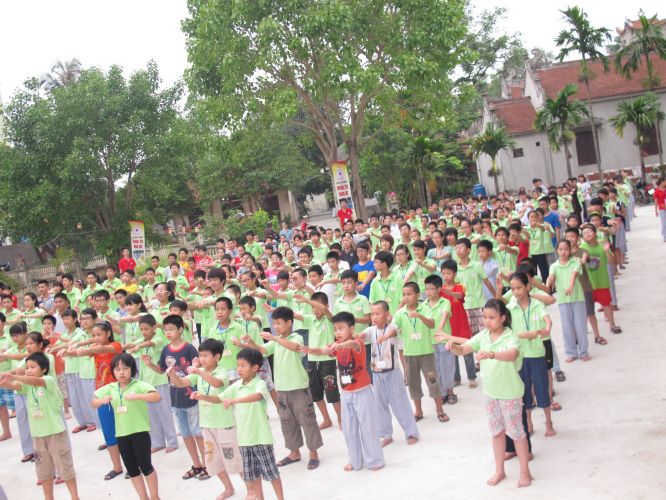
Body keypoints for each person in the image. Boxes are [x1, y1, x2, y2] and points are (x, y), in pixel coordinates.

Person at [447, 299, 532, 488]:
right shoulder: (482, 336)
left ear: (503, 318)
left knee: (517, 433)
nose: (487, 321)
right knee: (496, 432)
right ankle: (499, 470)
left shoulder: (511, 336)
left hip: (510, 393)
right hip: (490, 394)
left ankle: (525, 471)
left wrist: (491, 354)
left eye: (491, 317)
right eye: (485, 317)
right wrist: (453, 347)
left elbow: (512, 355)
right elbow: (463, 349)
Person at [305, 311, 385, 471]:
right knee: (349, 429)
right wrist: (309, 350)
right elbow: (322, 350)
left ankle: (375, 460)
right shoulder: (336, 345)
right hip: (346, 393)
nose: (337, 332)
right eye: (335, 329)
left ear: (352, 328)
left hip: (362, 391)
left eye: (341, 328)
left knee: (367, 427)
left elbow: (352, 344)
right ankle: (355, 461)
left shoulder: (357, 342)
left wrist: (340, 345)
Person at [250, 306, 323, 470]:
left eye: (278, 323)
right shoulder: (276, 341)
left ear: (289, 323)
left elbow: (295, 347)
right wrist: (250, 343)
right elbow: (263, 350)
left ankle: (313, 453)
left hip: (299, 388)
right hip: (282, 390)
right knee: (287, 422)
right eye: (274, 323)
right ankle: (294, 453)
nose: (275, 326)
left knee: (307, 420)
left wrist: (274, 338)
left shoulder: (296, 337)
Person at [0, 352, 81, 500]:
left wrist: (14, 376)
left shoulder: (48, 380)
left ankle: (75, 497)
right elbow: (12, 385)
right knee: (43, 471)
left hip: (55, 433)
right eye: (27, 367)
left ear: (43, 369)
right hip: (37, 436)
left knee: (65, 467)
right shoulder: (27, 385)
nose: (28, 370)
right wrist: (3, 379)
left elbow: (34, 381)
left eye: (33, 367)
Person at [168, 339, 242, 499]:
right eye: (200, 355)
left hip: (224, 425)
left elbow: (217, 384)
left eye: (205, 356)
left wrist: (199, 372)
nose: (202, 359)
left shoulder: (222, 371)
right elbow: (180, 383)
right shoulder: (199, 372)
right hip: (207, 425)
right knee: (214, 461)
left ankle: (251, 490)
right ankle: (228, 488)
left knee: (234, 460)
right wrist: (172, 374)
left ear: (217, 357)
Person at [141, 314, 209, 480]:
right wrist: (150, 365)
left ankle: (207, 464)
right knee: (185, 433)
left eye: (171, 329)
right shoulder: (166, 350)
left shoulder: (189, 349)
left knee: (197, 433)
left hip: (191, 396)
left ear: (180, 330)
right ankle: (196, 464)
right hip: (176, 398)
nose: (168, 333)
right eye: (165, 330)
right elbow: (162, 370)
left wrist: (195, 367)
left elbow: (197, 367)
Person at [92, 353, 161, 499]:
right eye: (117, 369)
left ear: (132, 369)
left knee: (146, 467)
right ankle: (143, 497)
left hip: (139, 432)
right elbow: (93, 402)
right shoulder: (111, 387)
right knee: (132, 469)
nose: (121, 372)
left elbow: (156, 396)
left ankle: (155, 497)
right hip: (122, 435)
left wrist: (138, 396)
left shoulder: (138, 385)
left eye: (125, 368)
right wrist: (102, 401)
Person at [219, 348, 284, 500]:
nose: (239, 369)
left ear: (255, 368)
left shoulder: (259, 383)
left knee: (272, 474)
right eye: (237, 365)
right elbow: (219, 398)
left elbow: (258, 396)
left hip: (261, 439)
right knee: (253, 476)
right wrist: (201, 396)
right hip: (244, 441)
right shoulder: (236, 385)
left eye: (243, 365)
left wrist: (235, 400)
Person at [63, 320, 124, 480]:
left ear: (108, 333)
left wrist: (81, 347)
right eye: (94, 335)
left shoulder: (115, 346)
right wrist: (68, 352)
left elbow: (101, 348)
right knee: (109, 432)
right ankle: (117, 467)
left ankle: (132, 465)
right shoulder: (95, 348)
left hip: (118, 394)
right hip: (102, 394)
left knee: (125, 432)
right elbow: (87, 350)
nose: (96, 338)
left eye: (99, 335)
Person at [504, 273, 556, 437]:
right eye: (512, 289)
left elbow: (547, 319)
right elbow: (508, 331)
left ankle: (549, 422)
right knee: (524, 391)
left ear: (527, 287)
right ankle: (528, 422)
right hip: (520, 355)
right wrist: (524, 335)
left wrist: (547, 328)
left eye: (519, 288)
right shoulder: (510, 307)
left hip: (537, 353)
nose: (516, 292)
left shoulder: (537, 304)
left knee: (542, 388)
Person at [364, 301, 419, 447]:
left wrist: (386, 337)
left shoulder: (392, 327)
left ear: (387, 314)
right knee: (380, 405)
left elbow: (394, 332)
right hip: (376, 373)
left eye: (377, 314)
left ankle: (411, 432)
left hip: (392, 373)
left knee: (400, 403)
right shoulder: (371, 330)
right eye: (372, 314)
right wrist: (355, 336)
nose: (374, 317)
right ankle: (386, 434)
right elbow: (362, 336)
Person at [393, 282, 446, 422]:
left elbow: (432, 324)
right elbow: (394, 327)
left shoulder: (425, 308)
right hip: (409, 354)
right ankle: (418, 410)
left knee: (432, 380)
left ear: (417, 295)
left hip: (426, 352)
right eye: (404, 295)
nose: (406, 297)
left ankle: (439, 409)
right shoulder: (400, 313)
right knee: (413, 383)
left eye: (409, 294)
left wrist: (419, 316)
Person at [293, 292, 341, 429]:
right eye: (313, 307)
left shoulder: (331, 319)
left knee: (332, 391)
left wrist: (307, 300)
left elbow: (324, 310)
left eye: (317, 306)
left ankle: (341, 418)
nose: (315, 309)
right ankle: (326, 419)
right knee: (316, 393)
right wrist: (275, 310)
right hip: (312, 360)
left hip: (327, 360)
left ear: (326, 305)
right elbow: (296, 315)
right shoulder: (310, 319)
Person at [131, 315, 177, 454]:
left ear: (154, 327)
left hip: (159, 381)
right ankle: (158, 442)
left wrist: (139, 345)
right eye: (141, 329)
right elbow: (131, 346)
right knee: (151, 414)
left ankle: (172, 441)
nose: (144, 332)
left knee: (165, 413)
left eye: (146, 329)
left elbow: (151, 343)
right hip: (146, 383)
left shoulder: (160, 339)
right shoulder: (140, 340)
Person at [547, 240, 590, 362]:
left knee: (580, 326)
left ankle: (583, 352)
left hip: (577, 298)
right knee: (567, 327)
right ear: (557, 251)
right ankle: (571, 353)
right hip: (563, 300)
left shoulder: (575, 261)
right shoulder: (554, 266)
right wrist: (547, 284)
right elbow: (551, 277)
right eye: (560, 249)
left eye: (566, 249)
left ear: (570, 250)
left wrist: (571, 286)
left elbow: (574, 275)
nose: (563, 252)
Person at [580, 224, 622, 334]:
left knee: (607, 304)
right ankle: (583, 330)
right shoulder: (581, 248)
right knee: (587, 309)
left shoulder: (602, 245)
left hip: (602, 282)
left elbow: (612, 262)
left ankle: (612, 325)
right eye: (584, 233)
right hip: (587, 285)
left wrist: (607, 250)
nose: (587, 234)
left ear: (595, 234)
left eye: (589, 231)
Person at [654, 175, 666, 242]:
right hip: (662, 209)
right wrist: (656, 210)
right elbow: (656, 202)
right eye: (665, 181)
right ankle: (664, 236)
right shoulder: (657, 191)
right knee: (664, 223)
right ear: (662, 182)